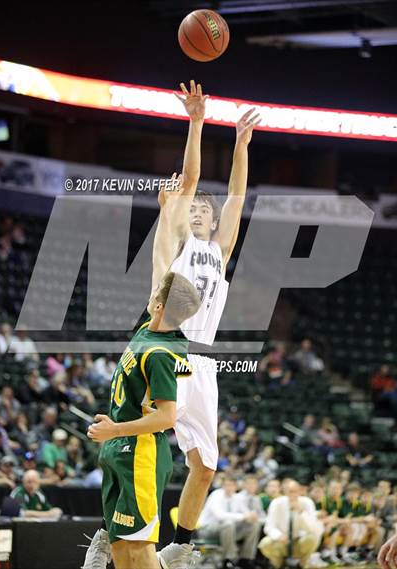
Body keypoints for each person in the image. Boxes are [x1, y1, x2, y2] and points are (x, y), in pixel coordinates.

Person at [82, 79, 259, 569]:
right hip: (168, 355)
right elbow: (190, 178)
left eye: (205, 207)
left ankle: (180, 544)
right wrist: (197, 122)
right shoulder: (170, 253)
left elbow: (238, 198)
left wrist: (241, 146)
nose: (201, 208)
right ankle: (106, 534)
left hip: (203, 365)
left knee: (205, 467)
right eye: (193, 206)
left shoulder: (220, 253)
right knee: (139, 447)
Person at [86, 271, 200, 569]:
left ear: (160, 306)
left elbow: (167, 417)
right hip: (120, 448)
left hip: (140, 453)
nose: (151, 295)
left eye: (156, 293)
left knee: (139, 551)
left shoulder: (161, 353)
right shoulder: (149, 330)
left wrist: (115, 428)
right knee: (121, 550)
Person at [199, 475, 262, 569]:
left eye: (231, 485)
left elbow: (246, 513)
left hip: (228, 531)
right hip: (208, 530)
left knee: (254, 525)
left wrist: (251, 516)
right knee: (228, 523)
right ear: (223, 486)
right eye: (226, 485)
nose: (229, 488)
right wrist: (243, 516)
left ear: (236, 487)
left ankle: (245, 559)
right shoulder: (216, 495)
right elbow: (220, 515)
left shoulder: (236, 498)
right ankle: (229, 559)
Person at [259, 480, 323, 569]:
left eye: (296, 491)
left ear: (300, 491)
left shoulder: (307, 502)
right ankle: (278, 564)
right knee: (264, 544)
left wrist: (301, 512)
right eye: (290, 491)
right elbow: (269, 526)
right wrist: (279, 536)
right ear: (284, 492)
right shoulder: (276, 503)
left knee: (313, 538)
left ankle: (301, 565)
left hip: (299, 542)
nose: (293, 494)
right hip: (282, 542)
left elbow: (314, 529)